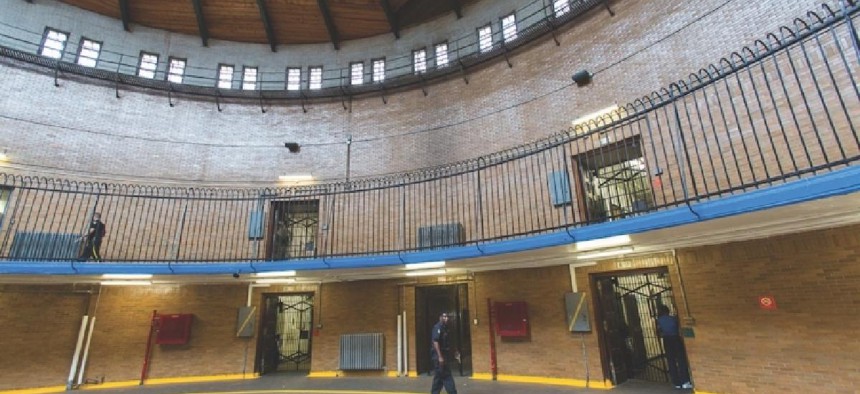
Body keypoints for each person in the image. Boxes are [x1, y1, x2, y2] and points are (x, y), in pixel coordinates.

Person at [656, 304, 692, 389]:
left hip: (666, 341)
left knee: (671, 361)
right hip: (676, 339)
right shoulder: (673, 319)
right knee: (681, 360)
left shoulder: (658, 321)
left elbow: (658, 332)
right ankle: (685, 381)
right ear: (667, 310)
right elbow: (679, 328)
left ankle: (676, 382)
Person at [430, 312, 458, 394]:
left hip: (444, 356)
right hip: (438, 357)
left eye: (447, 317)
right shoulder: (437, 327)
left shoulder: (446, 328)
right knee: (446, 376)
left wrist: (455, 351)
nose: (446, 318)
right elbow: (435, 342)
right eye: (444, 316)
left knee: (439, 378)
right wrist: (440, 357)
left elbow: (449, 341)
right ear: (440, 317)